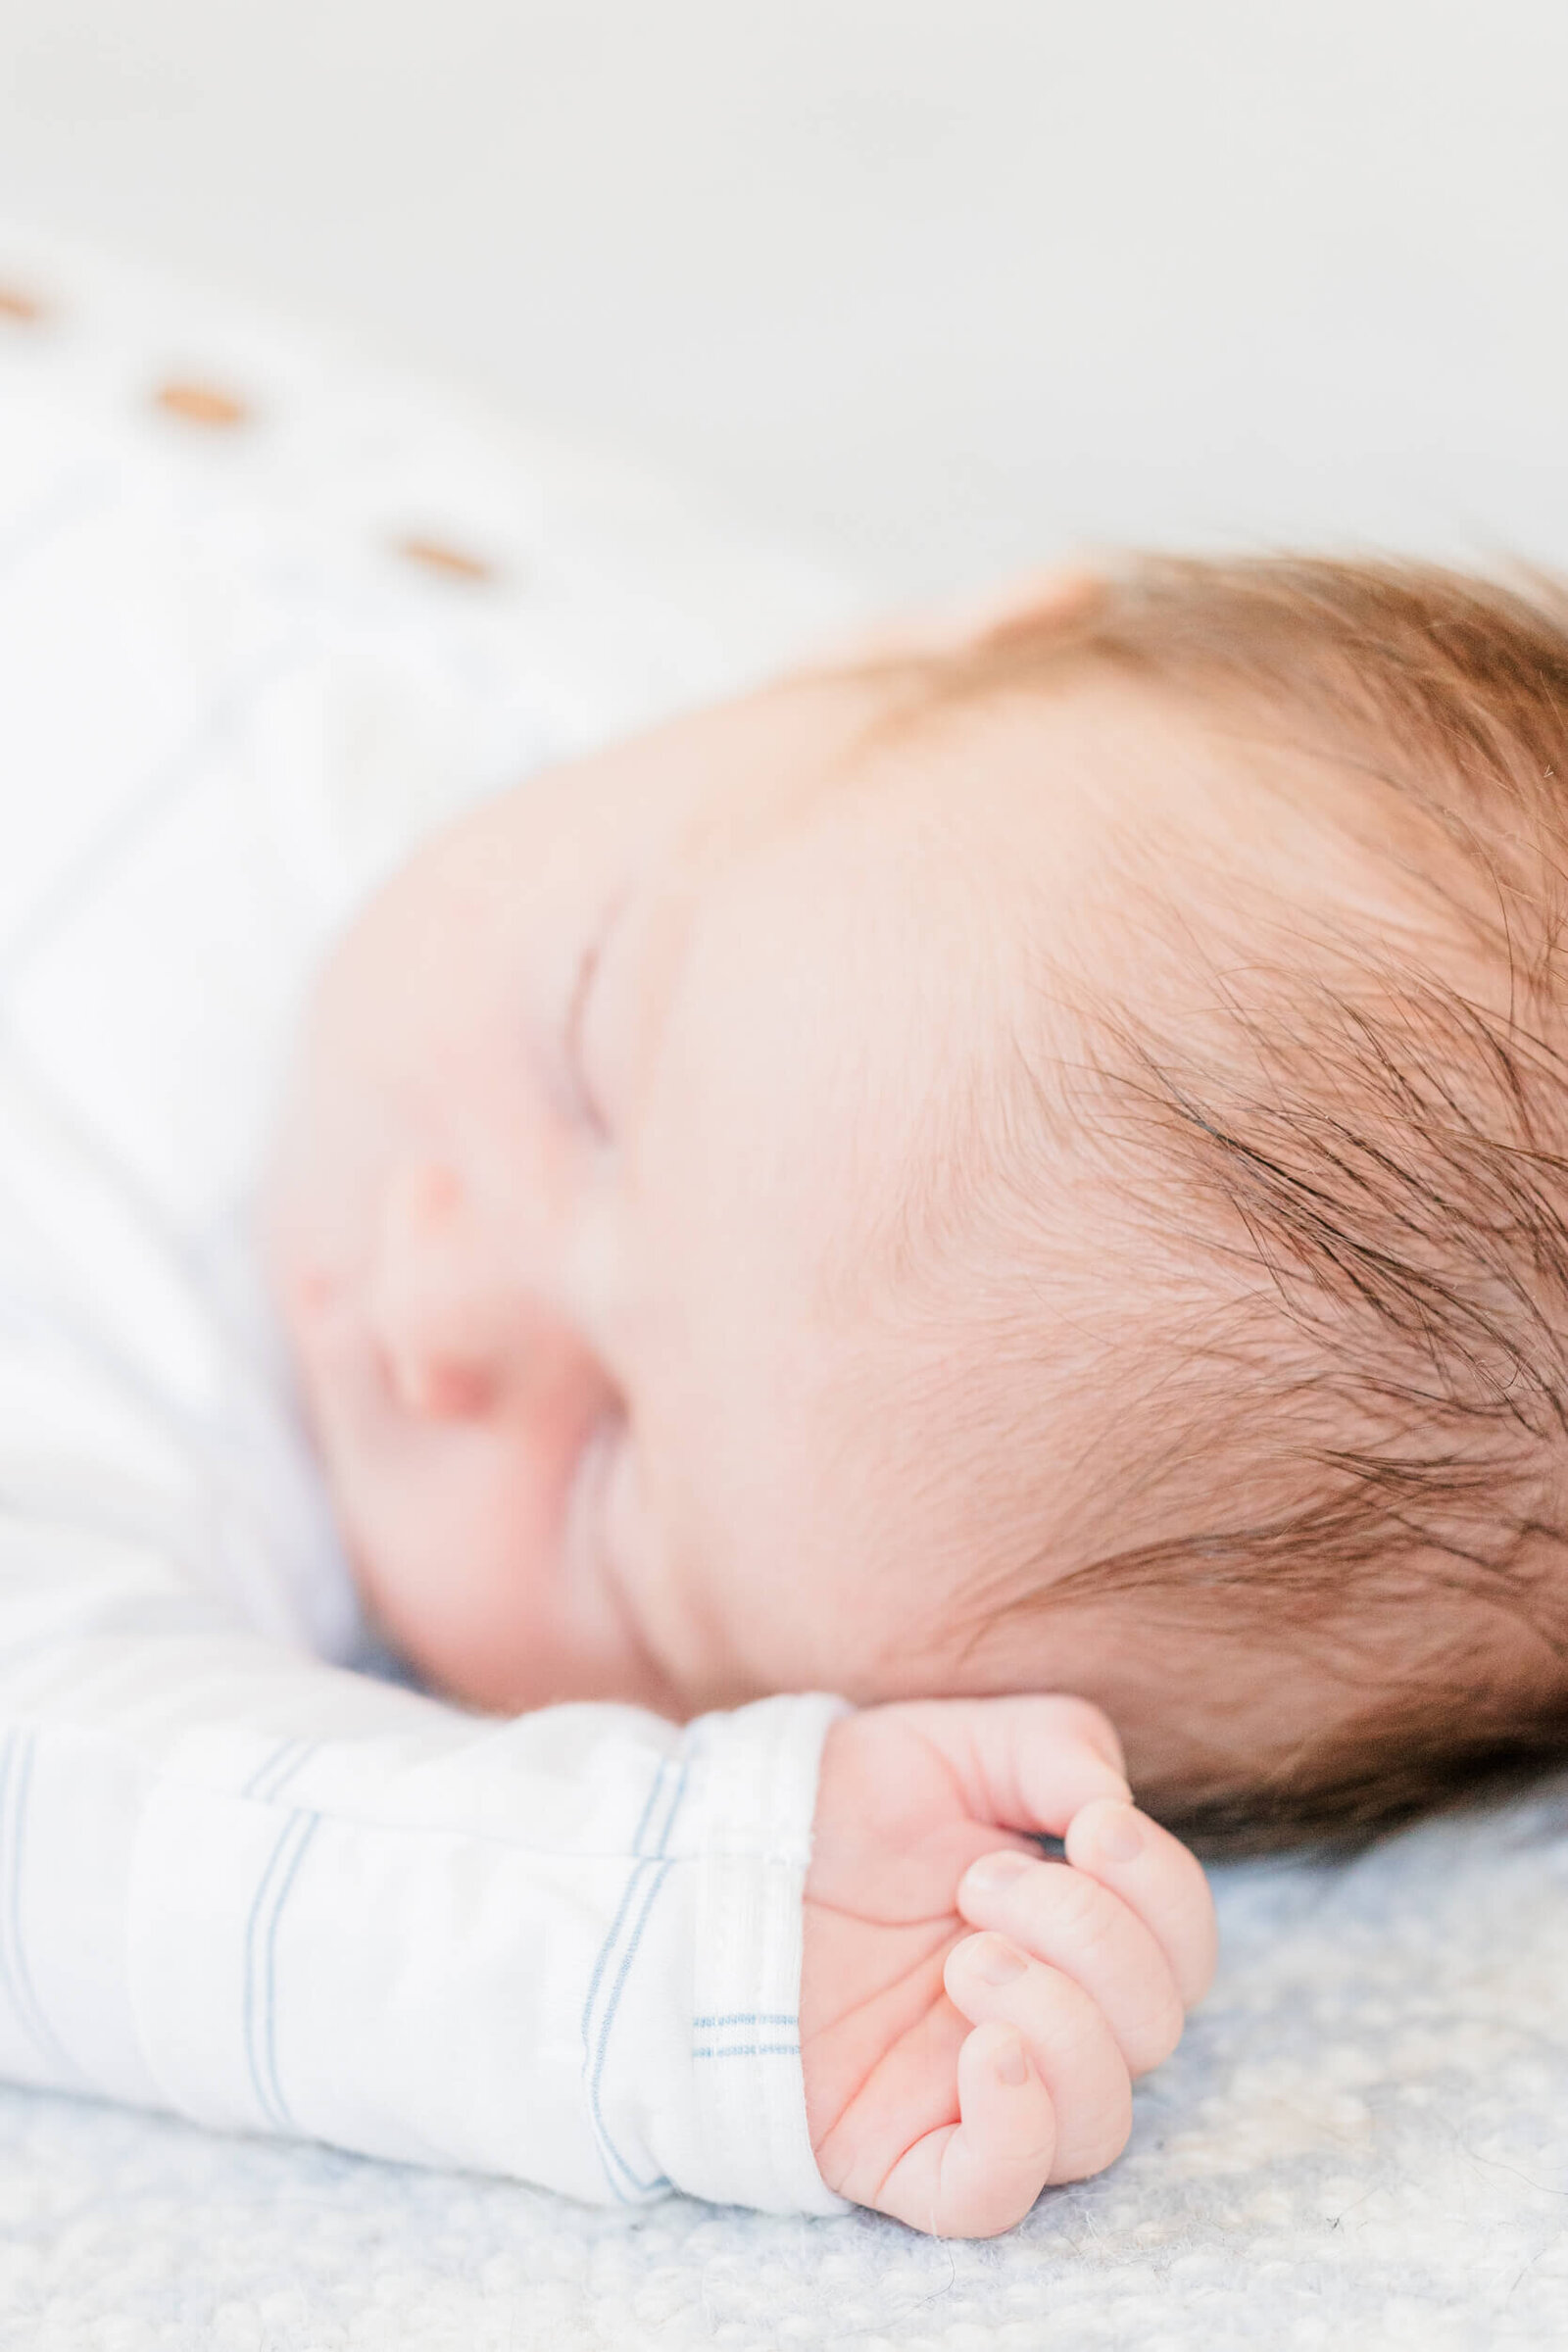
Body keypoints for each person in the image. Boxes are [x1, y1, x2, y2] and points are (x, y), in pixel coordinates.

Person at [8, 346, 1568, 2238]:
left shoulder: (129, 1410)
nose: (427, 1302)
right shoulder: (820, 754)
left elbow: (81, 1833)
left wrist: (692, 1932)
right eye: (585, 1048)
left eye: (617, 1510)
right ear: (939, 643)